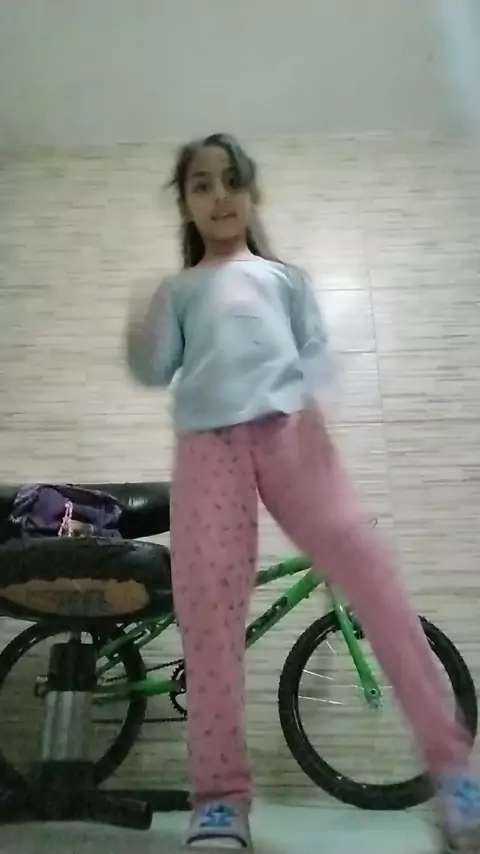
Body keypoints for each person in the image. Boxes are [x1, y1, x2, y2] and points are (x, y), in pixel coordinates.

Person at [126, 132, 480, 852]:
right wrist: (142, 321)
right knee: (209, 611)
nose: (219, 196)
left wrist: (320, 431)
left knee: (373, 578)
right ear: (186, 204)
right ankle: (219, 803)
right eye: (201, 184)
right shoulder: (181, 289)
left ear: (252, 194)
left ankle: (456, 776)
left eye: (231, 181)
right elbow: (153, 367)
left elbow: (313, 355)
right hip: (208, 448)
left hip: (289, 430)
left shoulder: (284, 278)